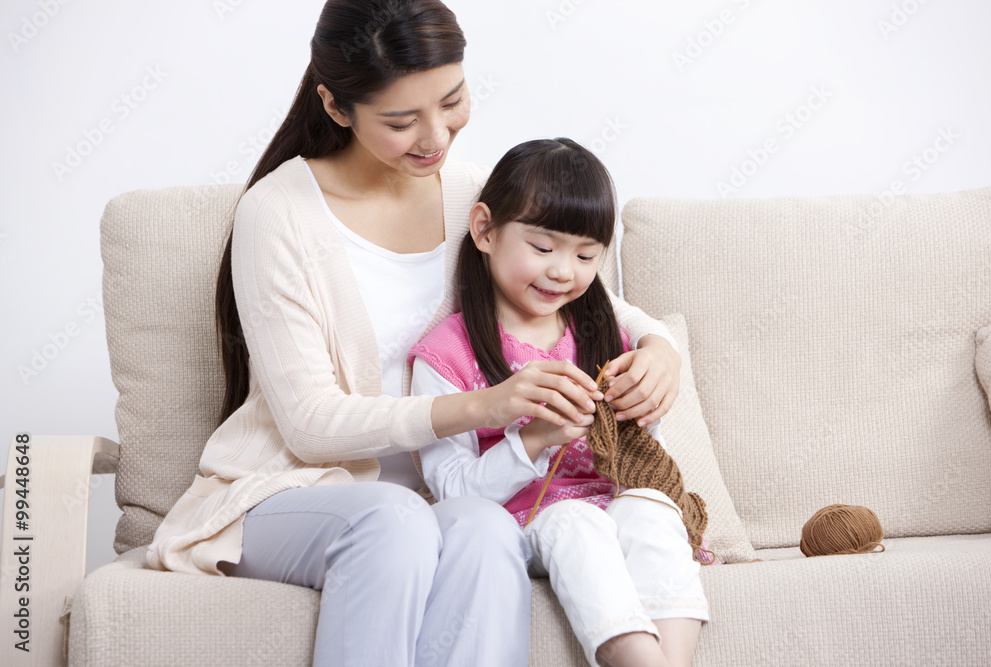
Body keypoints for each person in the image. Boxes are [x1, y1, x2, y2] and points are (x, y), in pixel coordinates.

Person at [145, 1, 684, 665]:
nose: (436, 135)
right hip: (290, 493)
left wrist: (659, 348)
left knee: (487, 528)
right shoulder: (278, 213)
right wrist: (484, 406)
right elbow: (310, 423)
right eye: (401, 121)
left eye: (452, 100)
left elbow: (580, 296)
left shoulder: (471, 196)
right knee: (391, 519)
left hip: (444, 492)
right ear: (337, 106)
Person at [408, 138, 709, 667]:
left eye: (586, 254)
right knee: (578, 522)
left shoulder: (603, 332)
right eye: (543, 248)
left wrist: (641, 406)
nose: (563, 271)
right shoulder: (446, 355)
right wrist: (535, 438)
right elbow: (452, 490)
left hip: (613, 507)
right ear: (484, 230)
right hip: (523, 526)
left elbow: (636, 458)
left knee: (652, 509)